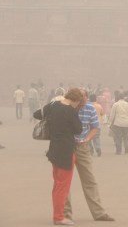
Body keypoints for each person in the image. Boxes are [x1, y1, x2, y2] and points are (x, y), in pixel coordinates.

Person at [34, 88, 83, 225]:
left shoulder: (54, 105)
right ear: (76, 100)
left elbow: (37, 114)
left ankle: (58, 214)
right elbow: (78, 129)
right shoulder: (71, 111)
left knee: (57, 184)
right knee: (63, 186)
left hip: (54, 150)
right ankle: (59, 217)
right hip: (66, 151)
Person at [64, 91, 115, 222]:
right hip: (67, 147)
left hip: (82, 147)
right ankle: (65, 214)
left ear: (86, 99)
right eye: (79, 101)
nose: (81, 104)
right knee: (65, 182)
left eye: (83, 101)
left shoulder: (90, 108)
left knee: (90, 181)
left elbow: (94, 127)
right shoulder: (67, 107)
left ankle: (99, 213)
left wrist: (87, 139)